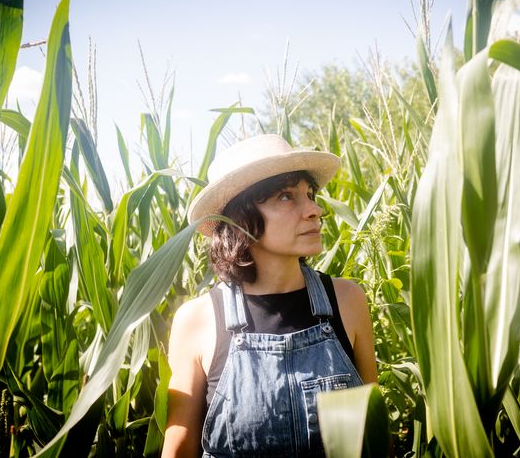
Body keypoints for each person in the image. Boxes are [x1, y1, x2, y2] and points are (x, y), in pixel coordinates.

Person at [162, 134, 377, 457]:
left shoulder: (347, 301)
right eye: (286, 197)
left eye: (310, 194)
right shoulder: (197, 321)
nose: (315, 210)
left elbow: (373, 435)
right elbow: (179, 447)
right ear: (239, 218)